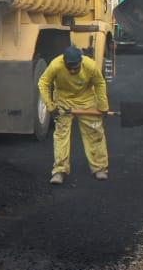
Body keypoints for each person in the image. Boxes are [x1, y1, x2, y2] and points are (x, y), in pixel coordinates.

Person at [38, 45, 109, 185]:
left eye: (75, 67)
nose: (72, 70)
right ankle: (59, 170)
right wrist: (50, 106)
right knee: (61, 135)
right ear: (64, 61)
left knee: (94, 132)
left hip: (86, 100)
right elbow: (43, 82)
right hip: (63, 101)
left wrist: (103, 106)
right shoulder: (56, 65)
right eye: (69, 67)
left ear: (80, 62)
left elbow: (100, 83)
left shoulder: (90, 65)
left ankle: (99, 168)